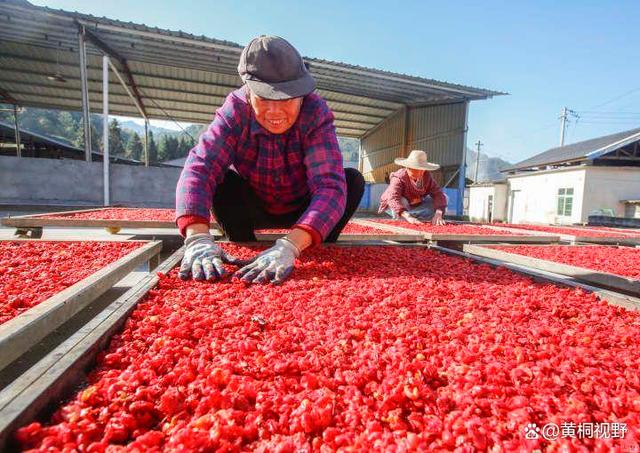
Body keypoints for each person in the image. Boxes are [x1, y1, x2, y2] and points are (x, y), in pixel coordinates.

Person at [175, 35, 365, 284]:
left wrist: (289, 247)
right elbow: (200, 169)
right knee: (224, 182)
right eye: (263, 98)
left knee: (350, 181)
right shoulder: (234, 111)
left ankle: (310, 247)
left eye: (286, 98)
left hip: (304, 208)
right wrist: (197, 237)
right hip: (255, 205)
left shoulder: (315, 113)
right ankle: (244, 251)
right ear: (248, 90)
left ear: (301, 93)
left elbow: (328, 185)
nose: (275, 111)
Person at [378, 150, 447, 225]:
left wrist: (439, 213)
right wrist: (407, 216)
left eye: (422, 170)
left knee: (443, 199)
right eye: (416, 170)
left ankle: (415, 216)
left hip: (414, 205)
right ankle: (403, 216)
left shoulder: (427, 176)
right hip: (396, 205)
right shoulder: (399, 177)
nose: (420, 173)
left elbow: (438, 194)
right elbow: (393, 198)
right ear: (408, 168)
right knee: (402, 200)